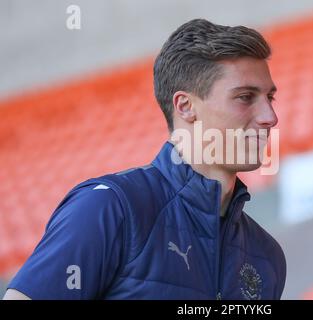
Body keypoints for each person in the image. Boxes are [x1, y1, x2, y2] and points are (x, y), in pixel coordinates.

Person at [3, 18, 286, 300]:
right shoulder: (108, 208)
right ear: (185, 107)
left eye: (269, 98)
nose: (270, 117)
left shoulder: (267, 257)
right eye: (245, 97)